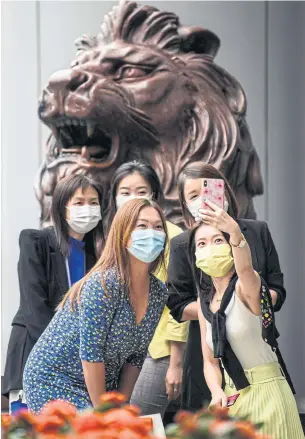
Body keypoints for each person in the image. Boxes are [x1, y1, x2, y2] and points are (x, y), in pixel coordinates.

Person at [23, 198, 169, 413]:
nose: (152, 233)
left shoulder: (158, 291)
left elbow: (135, 358)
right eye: (142, 226)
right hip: (55, 379)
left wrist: (121, 406)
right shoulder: (103, 284)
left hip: (100, 384)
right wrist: (104, 413)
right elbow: (91, 355)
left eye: (158, 227)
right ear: (123, 235)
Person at [167, 162, 286, 411]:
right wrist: (214, 312)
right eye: (194, 196)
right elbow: (176, 304)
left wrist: (252, 302)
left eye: (207, 190)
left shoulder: (256, 231)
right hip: (207, 349)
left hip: (255, 343)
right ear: (185, 204)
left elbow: (277, 288)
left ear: (224, 191)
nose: (203, 200)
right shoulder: (182, 244)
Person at [188, 200, 303, 438]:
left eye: (218, 240)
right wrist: (216, 391)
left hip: (268, 392)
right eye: (202, 243)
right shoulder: (204, 304)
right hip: (232, 399)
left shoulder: (246, 286)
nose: (210, 247)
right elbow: (210, 362)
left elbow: (245, 269)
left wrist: (235, 233)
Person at [2, 174, 104, 413]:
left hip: (76, 370)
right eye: (78, 202)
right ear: (61, 207)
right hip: (34, 354)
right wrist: (59, 353)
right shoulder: (35, 240)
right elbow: (33, 305)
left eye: (93, 202)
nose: (87, 209)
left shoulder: (99, 254)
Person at [105, 161, 189, 418]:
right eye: (125, 192)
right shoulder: (117, 236)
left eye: (141, 191)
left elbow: (180, 302)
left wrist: (175, 363)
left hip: (159, 351)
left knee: (139, 419)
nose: (133, 198)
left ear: (154, 195)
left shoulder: (171, 237)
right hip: (126, 352)